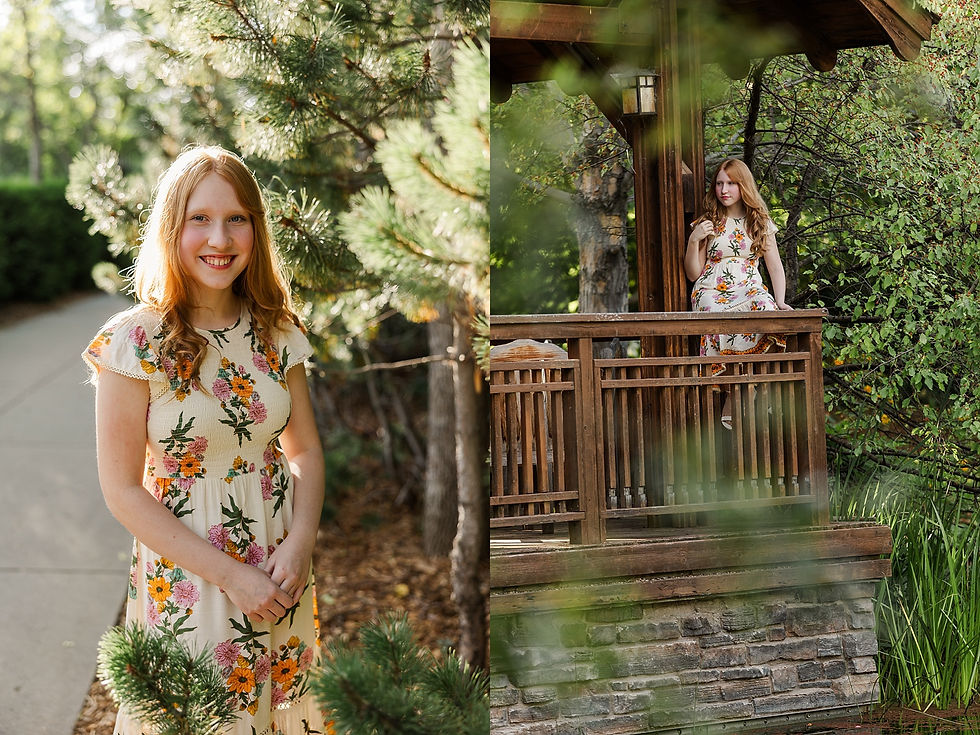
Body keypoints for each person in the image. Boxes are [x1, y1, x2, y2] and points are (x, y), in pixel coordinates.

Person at [83, 146, 326, 735]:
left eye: (237, 218)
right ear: (172, 227)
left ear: (255, 229)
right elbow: (120, 490)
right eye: (200, 218)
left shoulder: (276, 328)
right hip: (188, 579)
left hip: (279, 571)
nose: (220, 238)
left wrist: (299, 541)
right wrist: (232, 576)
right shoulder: (133, 341)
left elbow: (306, 452)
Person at [684, 157, 792, 429]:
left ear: (743, 186)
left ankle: (755, 384)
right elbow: (693, 273)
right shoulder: (708, 222)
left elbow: (775, 266)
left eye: (731, 183)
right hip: (711, 289)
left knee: (766, 310)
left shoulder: (759, 222)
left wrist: (780, 300)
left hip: (748, 287)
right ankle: (734, 391)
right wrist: (694, 239)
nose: (724, 189)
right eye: (720, 183)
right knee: (713, 313)